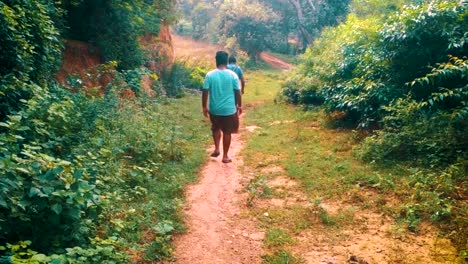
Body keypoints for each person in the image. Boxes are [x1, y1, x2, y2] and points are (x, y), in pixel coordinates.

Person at [202, 51, 242, 163]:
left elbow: (205, 91)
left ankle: (216, 149)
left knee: (215, 128)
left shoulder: (210, 75)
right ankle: (225, 156)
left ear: (216, 61)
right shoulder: (233, 75)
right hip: (229, 110)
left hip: (214, 109)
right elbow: (237, 92)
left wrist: (204, 107)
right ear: (226, 62)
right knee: (227, 132)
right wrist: (239, 105)